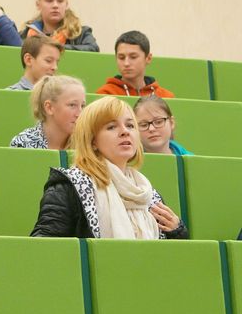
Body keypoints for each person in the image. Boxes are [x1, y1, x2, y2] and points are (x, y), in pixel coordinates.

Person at [31, 96, 188, 239]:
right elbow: (46, 248)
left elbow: (172, 256)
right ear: (92, 140)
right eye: (112, 127)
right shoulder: (69, 187)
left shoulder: (148, 194)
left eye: (130, 125)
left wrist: (177, 231)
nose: (125, 132)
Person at [20, 0, 99, 52]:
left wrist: (56, 48)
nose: (55, 5)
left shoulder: (81, 33)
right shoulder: (25, 34)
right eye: (49, 0)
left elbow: (93, 49)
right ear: (38, 5)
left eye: (60, 1)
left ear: (66, 5)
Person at [11, 75, 86, 150]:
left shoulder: (86, 144)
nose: (80, 114)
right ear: (49, 107)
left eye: (82, 106)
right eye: (72, 105)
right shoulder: (23, 144)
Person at [96, 30, 175, 97]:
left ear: (148, 58)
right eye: (121, 57)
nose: (126, 63)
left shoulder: (165, 96)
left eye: (133, 57)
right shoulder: (105, 94)